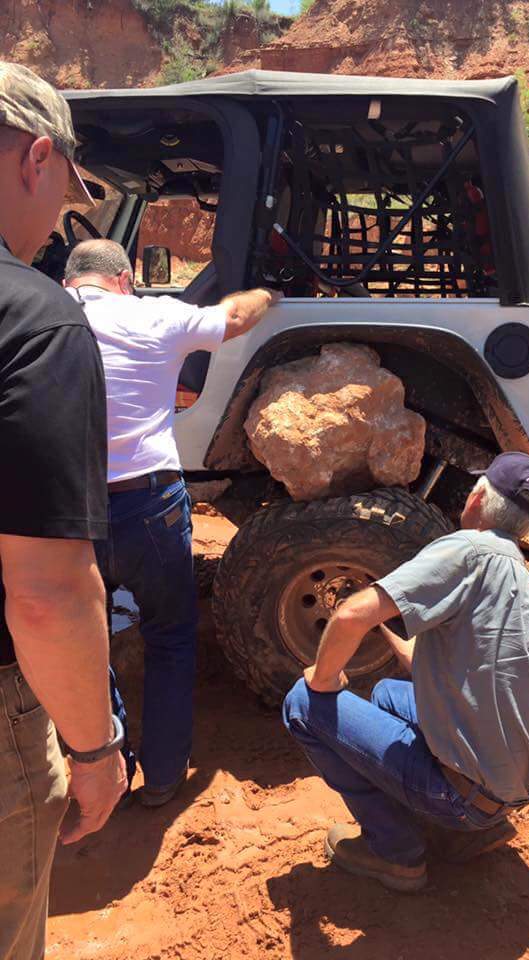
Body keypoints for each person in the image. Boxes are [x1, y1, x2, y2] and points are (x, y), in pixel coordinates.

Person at [283, 453, 529, 892]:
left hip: (464, 794)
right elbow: (433, 666)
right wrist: (380, 619)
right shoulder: (525, 583)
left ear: (476, 498)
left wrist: (323, 678)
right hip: (506, 791)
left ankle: (395, 854)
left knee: (302, 704)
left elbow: (351, 617)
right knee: (388, 694)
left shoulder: (469, 549)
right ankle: (467, 830)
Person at [63, 239, 279, 807]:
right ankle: (163, 777)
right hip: (149, 506)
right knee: (169, 638)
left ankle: (106, 766)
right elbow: (234, 317)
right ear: (127, 279)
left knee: (83, 638)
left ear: (69, 281)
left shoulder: (42, 315)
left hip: (67, 509)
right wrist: (267, 292)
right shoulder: (154, 313)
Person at [0, 63, 126, 960]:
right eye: (65, 196)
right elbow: (46, 590)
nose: (59, 224)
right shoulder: (35, 323)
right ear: (35, 160)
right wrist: (94, 747)